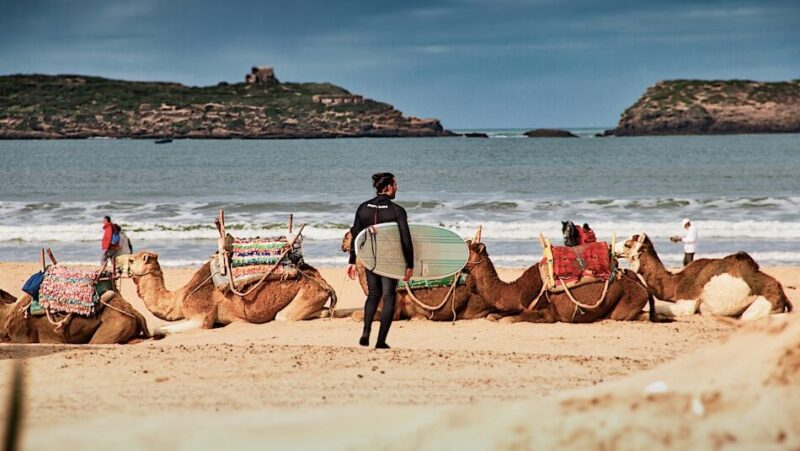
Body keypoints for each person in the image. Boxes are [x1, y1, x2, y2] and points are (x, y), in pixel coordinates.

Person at [347, 173, 413, 349]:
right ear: (389, 187)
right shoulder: (397, 210)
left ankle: (366, 331)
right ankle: (381, 340)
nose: (397, 188)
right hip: (390, 259)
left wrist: (352, 261)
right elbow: (406, 239)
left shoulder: (362, 208)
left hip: (370, 258)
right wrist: (410, 264)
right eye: (396, 184)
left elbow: (356, 236)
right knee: (389, 296)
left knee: (373, 294)